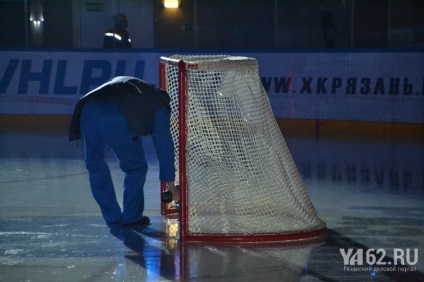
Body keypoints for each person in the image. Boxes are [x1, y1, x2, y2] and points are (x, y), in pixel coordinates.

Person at [68, 76, 179, 227]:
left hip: (86, 110)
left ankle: (112, 218)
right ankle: (132, 218)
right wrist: (171, 186)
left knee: (95, 165)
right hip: (116, 117)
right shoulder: (161, 106)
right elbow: (164, 146)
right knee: (136, 168)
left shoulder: (139, 86)